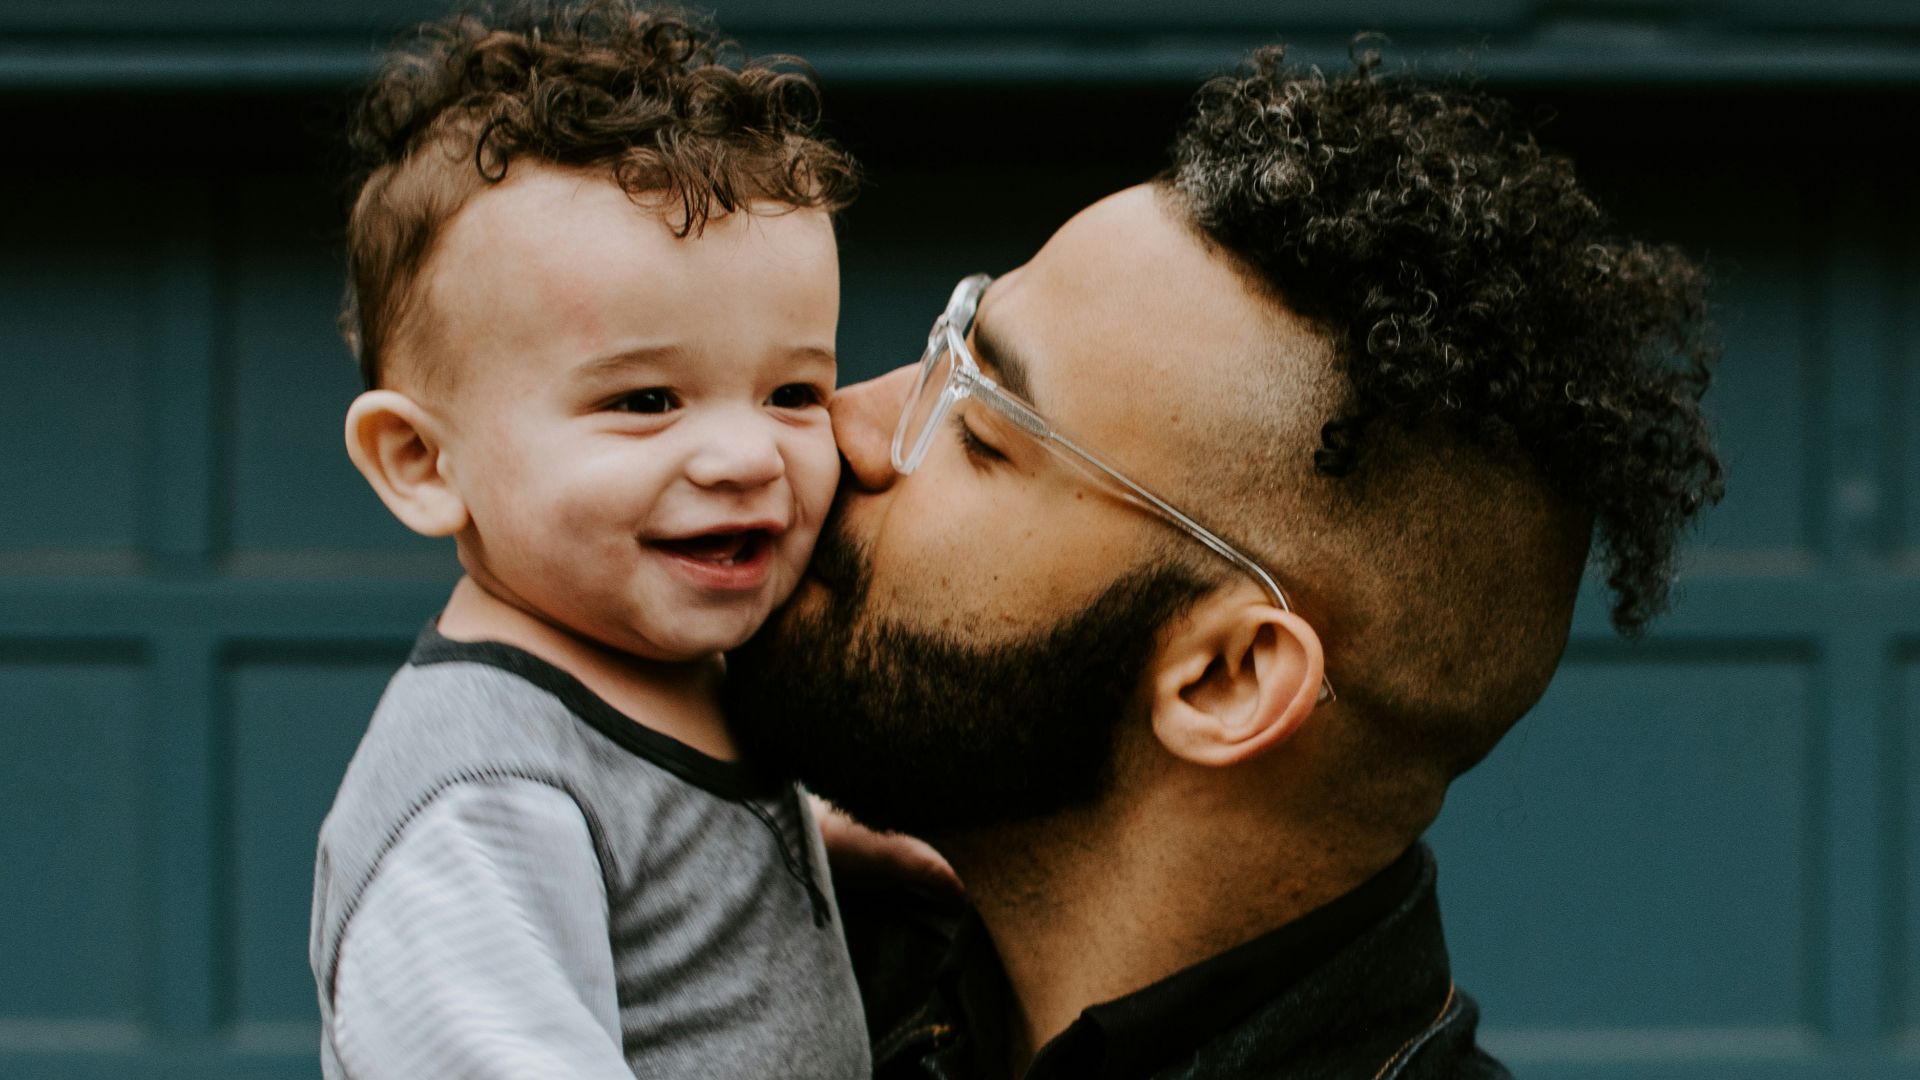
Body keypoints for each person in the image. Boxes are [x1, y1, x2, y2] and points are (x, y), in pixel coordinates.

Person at [725, 45, 1723, 1079]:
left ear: (1228, 677)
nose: (841, 425)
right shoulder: (741, 938)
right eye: (950, 344)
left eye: (983, 436)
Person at [307, 3, 871, 1077]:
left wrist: (851, 859)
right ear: (422, 464)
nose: (745, 454)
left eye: (793, 390)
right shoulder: (482, 798)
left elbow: (678, 862)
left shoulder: (678, 668)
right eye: (648, 399)